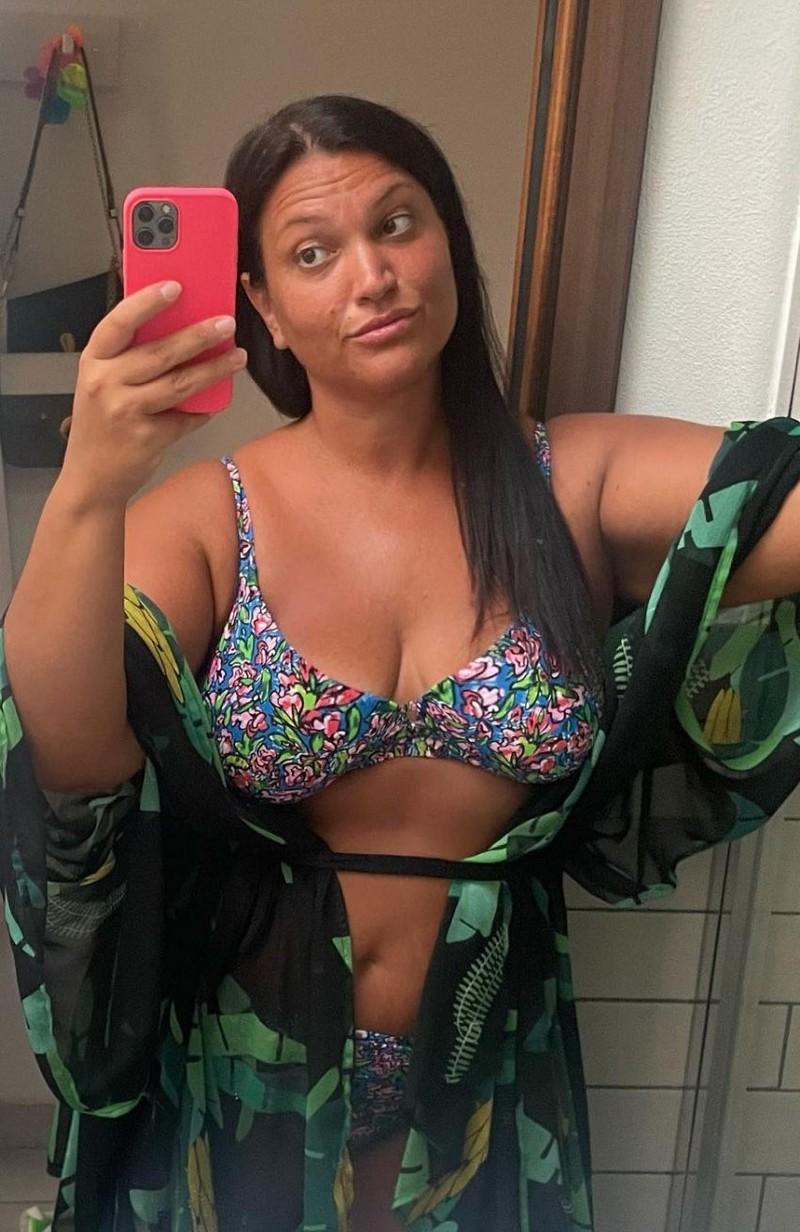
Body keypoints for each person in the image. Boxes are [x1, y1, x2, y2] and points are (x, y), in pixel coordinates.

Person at [3, 94, 800, 1232]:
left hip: (488, 1065)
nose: (371, 276)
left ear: (449, 247)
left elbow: (773, 504)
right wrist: (90, 485)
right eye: (313, 253)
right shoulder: (209, 519)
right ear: (264, 307)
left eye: (397, 223)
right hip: (243, 1079)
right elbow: (73, 756)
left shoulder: (572, 483)